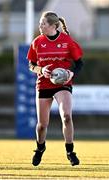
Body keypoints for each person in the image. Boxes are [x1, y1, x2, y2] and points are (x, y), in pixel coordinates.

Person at [27, 11, 83, 166]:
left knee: (66, 116)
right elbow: (31, 65)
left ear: (53, 25)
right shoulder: (37, 42)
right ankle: (40, 148)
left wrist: (72, 73)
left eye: (43, 24)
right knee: (42, 125)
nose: (40, 26)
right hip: (44, 84)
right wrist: (41, 70)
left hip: (62, 84)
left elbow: (79, 63)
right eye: (40, 23)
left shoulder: (67, 41)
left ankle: (70, 151)